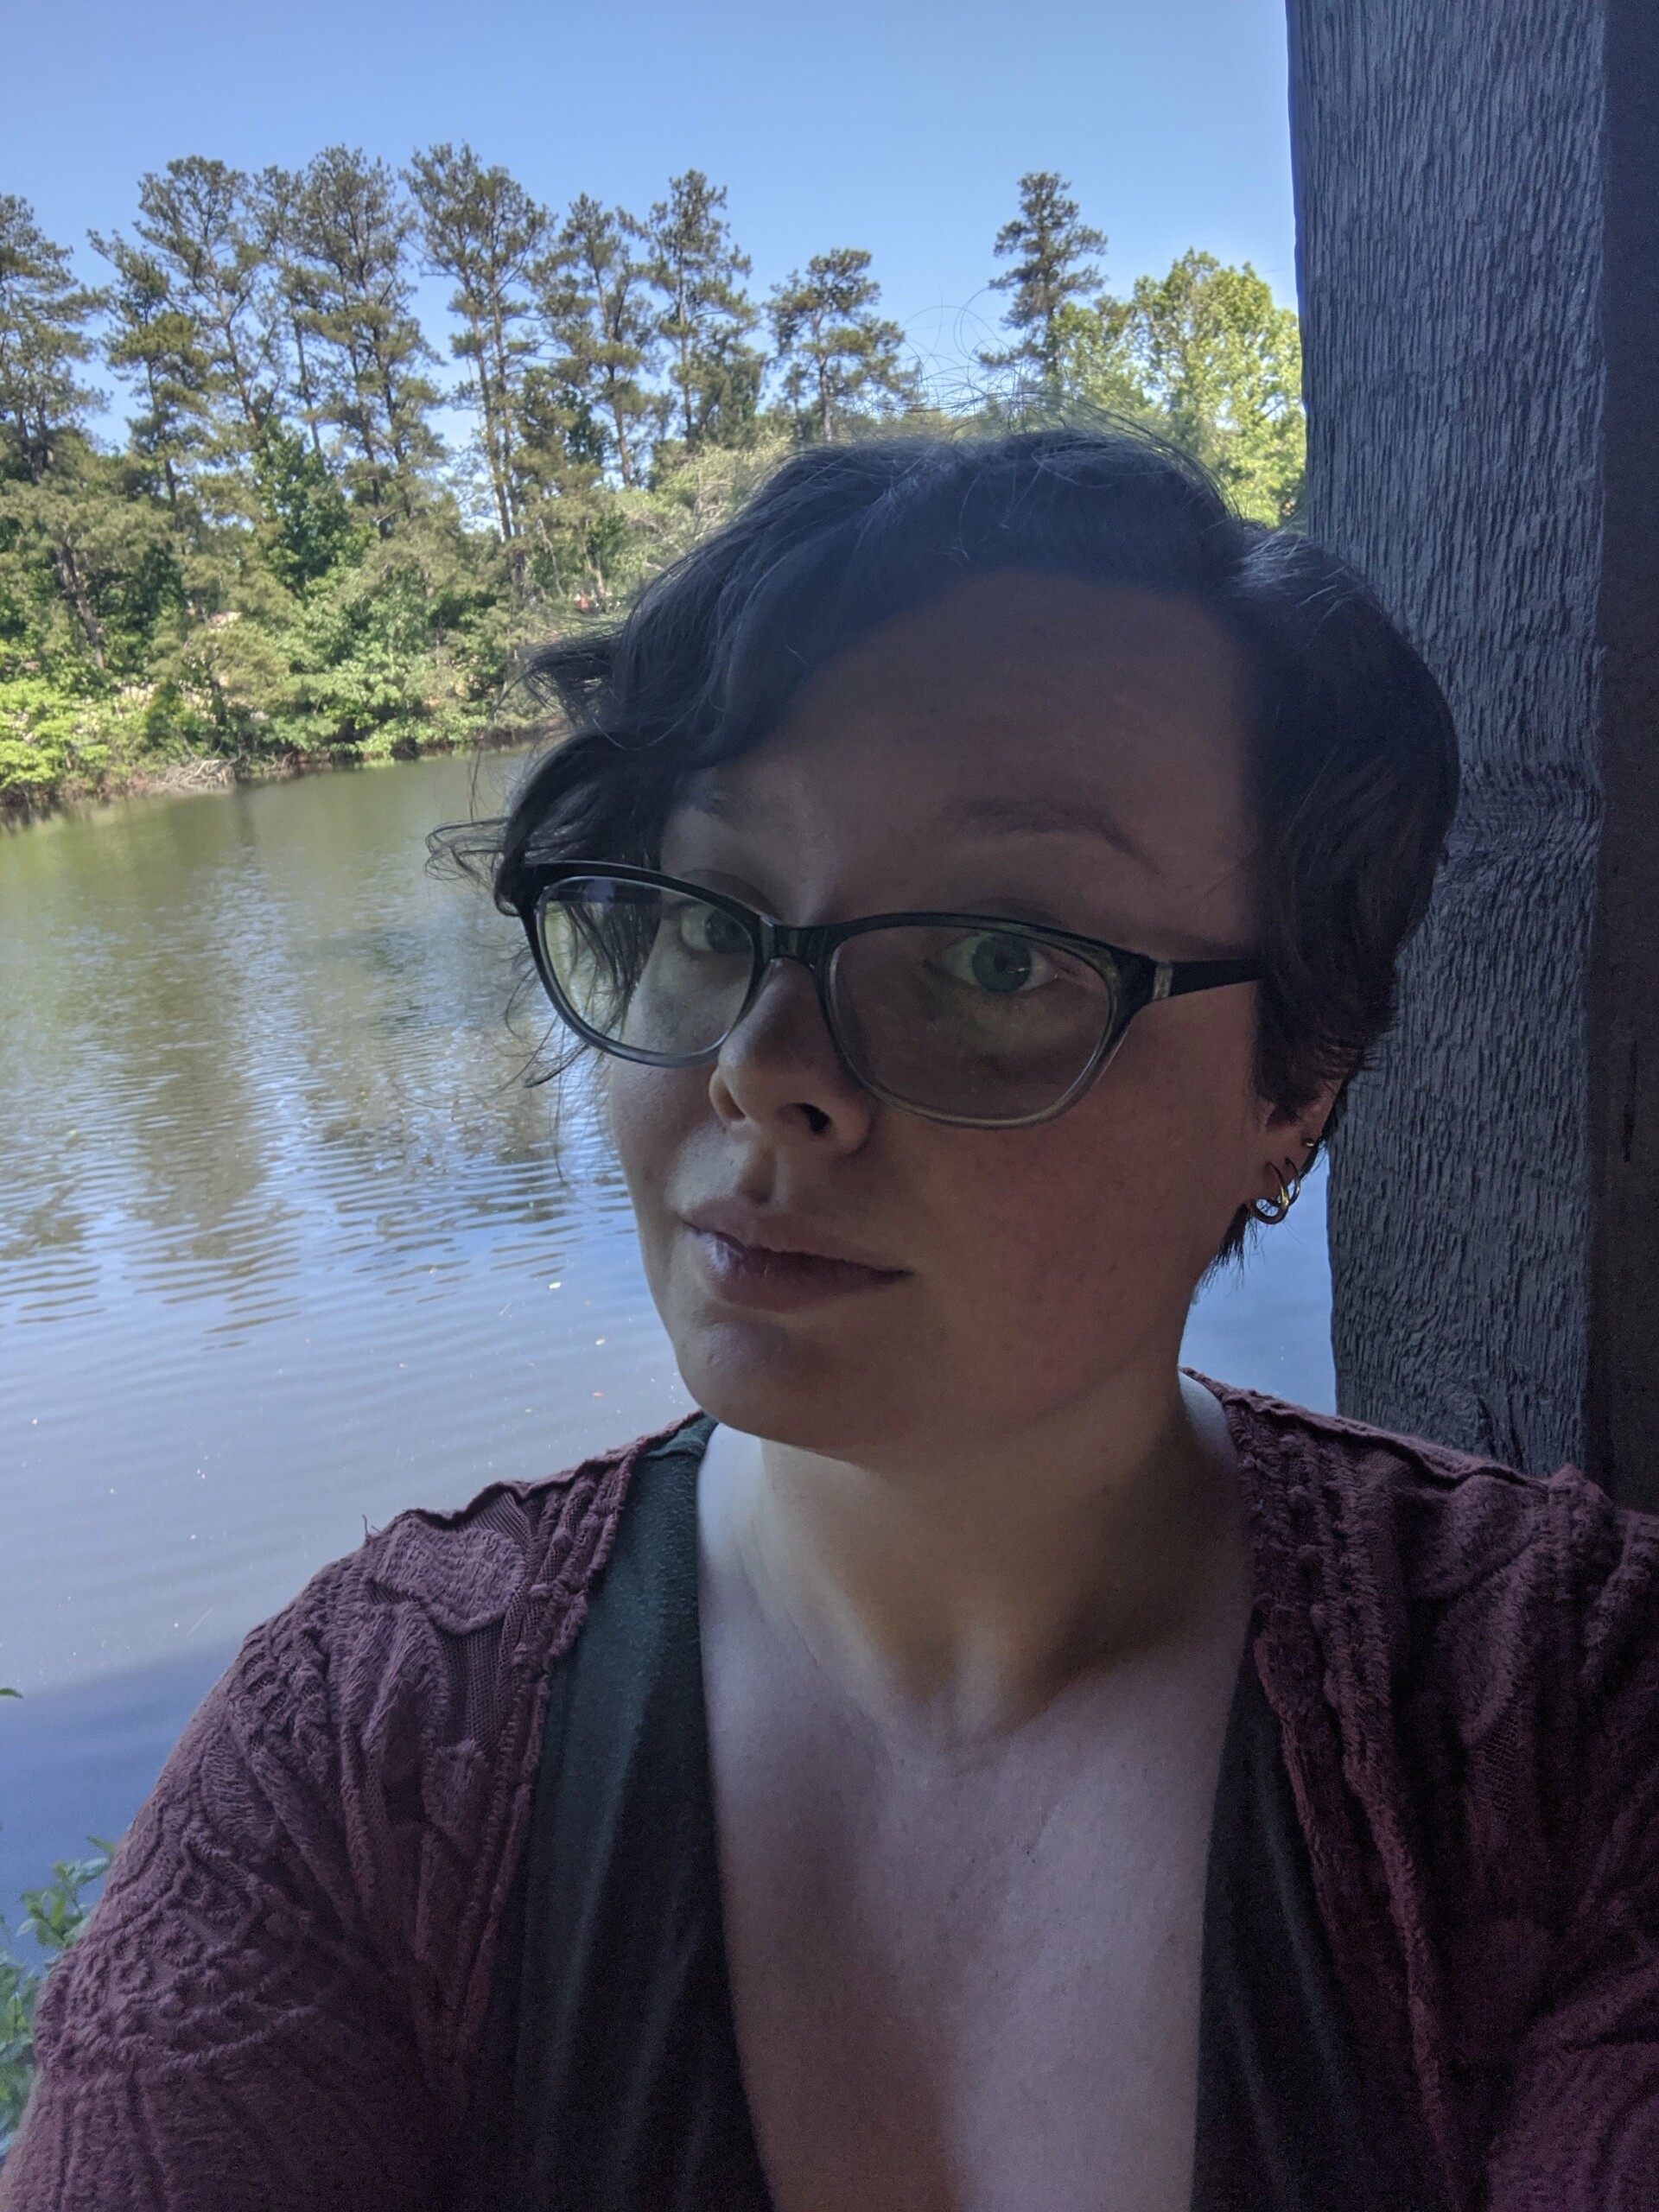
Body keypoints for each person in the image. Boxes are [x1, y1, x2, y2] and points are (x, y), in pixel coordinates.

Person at [5, 429, 1657, 2212]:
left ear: (1298, 1085)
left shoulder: (1576, 1719)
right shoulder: (361, 1756)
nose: (759, 1068)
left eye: (997, 957)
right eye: (703, 916)